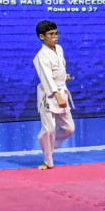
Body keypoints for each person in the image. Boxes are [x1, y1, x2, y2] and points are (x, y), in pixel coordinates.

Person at [34, 20, 74, 170]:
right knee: (49, 129)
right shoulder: (41, 56)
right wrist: (57, 96)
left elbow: (59, 69)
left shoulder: (59, 49)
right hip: (48, 95)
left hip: (61, 91)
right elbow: (46, 78)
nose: (56, 37)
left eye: (56, 33)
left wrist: (64, 77)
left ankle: (46, 143)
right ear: (42, 36)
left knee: (69, 128)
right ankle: (48, 161)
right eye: (51, 34)